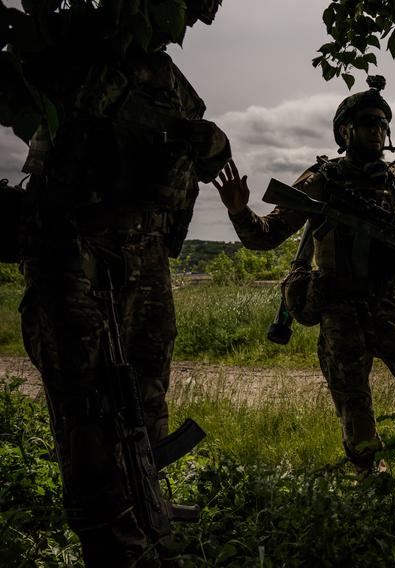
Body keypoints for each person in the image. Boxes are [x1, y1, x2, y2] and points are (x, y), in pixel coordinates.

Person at [15, 4, 231, 565]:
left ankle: (146, 511)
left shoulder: (170, 83)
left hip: (145, 255)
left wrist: (208, 143)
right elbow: (38, 100)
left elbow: (204, 153)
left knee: (145, 391)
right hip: (76, 246)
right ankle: (114, 543)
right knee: (88, 403)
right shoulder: (70, 48)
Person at [213, 76, 395, 473]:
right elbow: (266, 236)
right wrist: (239, 211)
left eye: (383, 123)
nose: (377, 130)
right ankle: (372, 484)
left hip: (394, 305)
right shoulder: (321, 182)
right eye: (368, 122)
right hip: (340, 309)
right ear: (345, 130)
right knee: (356, 415)